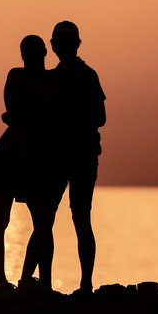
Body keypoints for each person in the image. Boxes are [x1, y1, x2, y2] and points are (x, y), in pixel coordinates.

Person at [0, 35, 55, 295]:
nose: (33, 56)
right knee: (0, 219)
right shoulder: (15, 76)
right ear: (22, 55)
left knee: (43, 221)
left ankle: (28, 279)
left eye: (37, 51)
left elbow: (52, 123)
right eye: (27, 52)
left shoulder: (52, 80)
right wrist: (25, 155)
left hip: (39, 156)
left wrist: (40, 154)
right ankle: (1, 282)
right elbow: (13, 117)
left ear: (45, 52)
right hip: (10, 154)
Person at [49, 20, 106, 295]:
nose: (64, 46)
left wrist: (63, 129)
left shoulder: (88, 75)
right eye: (60, 41)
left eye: (69, 41)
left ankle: (86, 284)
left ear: (77, 44)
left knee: (80, 218)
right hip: (54, 157)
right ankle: (43, 284)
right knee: (45, 217)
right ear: (53, 45)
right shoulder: (50, 77)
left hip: (82, 157)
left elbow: (100, 118)